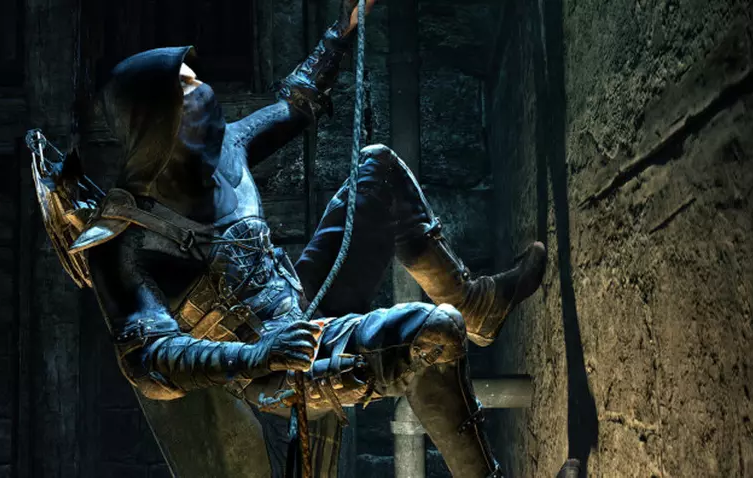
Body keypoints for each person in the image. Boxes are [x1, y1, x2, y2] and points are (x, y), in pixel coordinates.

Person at [68, 1, 548, 476]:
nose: (205, 89)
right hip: (274, 373)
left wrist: (341, 31)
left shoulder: (226, 150)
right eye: (189, 84)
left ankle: (477, 305)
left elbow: (295, 105)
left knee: (377, 167)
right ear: (158, 118)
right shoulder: (123, 238)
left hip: (300, 305)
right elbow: (149, 362)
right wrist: (257, 356)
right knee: (435, 333)